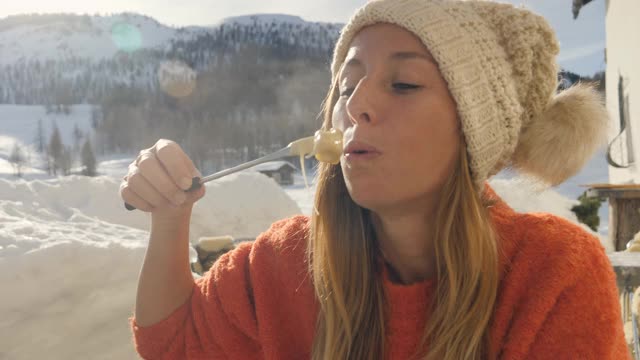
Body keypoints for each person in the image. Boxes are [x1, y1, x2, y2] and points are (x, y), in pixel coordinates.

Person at [121, 0, 630, 359]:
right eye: (346, 85)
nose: (355, 104)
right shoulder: (288, 264)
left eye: (404, 83)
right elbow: (173, 342)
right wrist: (170, 217)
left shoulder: (550, 276)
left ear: (474, 130)